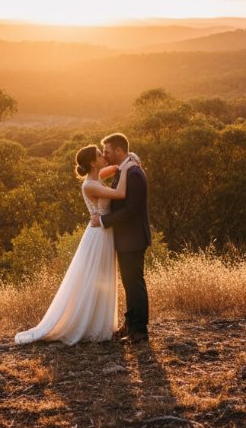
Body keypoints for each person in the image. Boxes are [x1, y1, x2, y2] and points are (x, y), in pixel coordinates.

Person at [14, 144, 139, 345]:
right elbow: (121, 193)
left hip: (104, 233)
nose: (103, 156)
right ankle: (89, 325)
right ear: (92, 162)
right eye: (100, 155)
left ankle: (100, 324)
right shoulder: (90, 184)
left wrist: (122, 163)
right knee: (94, 278)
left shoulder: (96, 178)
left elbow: (111, 170)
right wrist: (127, 166)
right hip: (98, 235)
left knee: (103, 278)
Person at [90, 133, 151, 343]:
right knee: (129, 283)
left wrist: (104, 220)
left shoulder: (133, 172)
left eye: (107, 151)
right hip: (126, 238)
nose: (105, 155)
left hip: (133, 238)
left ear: (118, 150)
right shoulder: (125, 169)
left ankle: (140, 331)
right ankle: (130, 324)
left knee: (135, 284)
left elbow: (132, 210)